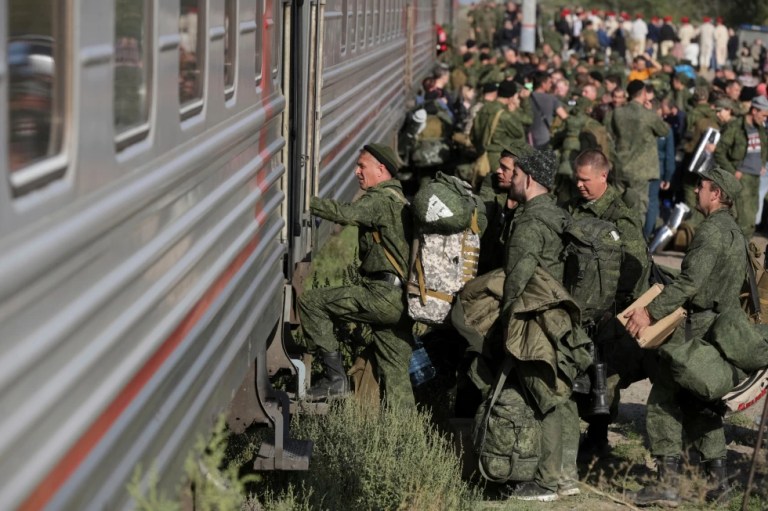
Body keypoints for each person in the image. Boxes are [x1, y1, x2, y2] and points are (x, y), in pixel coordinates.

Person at [624, 166, 746, 507]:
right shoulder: (736, 232)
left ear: (717, 194)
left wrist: (649, 311)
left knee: (663, 399)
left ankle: (667, 485)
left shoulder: (710, 233)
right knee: (701, 404)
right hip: (718, 326)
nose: (696, 191)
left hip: (695, 329)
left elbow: (690, 284)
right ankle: (718, 484)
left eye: (702, 186)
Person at [297, 144, 415, 409]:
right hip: (403, 300)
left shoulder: (380, 199)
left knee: (312, 302)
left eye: (362, 166)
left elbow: (346, 214)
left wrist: (304, 202)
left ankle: (335, 380)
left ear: (381, 170)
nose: (356, 171)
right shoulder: (400, 199)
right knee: (396, 376)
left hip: (382, 296)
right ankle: (404, 436)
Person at [499, 149, 577, 502]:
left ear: (528, 179)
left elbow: (516, 280)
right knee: (561, 395)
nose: (511, 179)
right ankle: (565, 477)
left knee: (545, 398)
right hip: (561, 316)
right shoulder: (558, 214)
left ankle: (546, 483)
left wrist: (504, 324)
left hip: (535, 318)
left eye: (515, 174)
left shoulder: (530, 223)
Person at [565, 149, 652, 459]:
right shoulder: (575, 207)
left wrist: (611, 305)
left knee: (604, 376)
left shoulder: (620, 216)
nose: (579, 185)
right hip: (576, 304)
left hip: (606, 312)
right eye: (576, 179)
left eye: (585, 180)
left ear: (603, 176)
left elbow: (636, 264)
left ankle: (598, 438)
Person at [608, 79, 670, 219]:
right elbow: (664, 131)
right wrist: (652, 112)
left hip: (620, 166)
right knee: (638, 211)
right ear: (643, 93)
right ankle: (634, 239)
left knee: (618, 206)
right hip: (640, 170)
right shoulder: (648, 115)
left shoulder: (617, 113)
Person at [714, 94, 768, 238]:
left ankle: (742, 254)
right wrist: (733, 171)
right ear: (754, 111)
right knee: (743, 219)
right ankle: (736, 254)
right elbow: (719, 152)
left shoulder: (760, 128)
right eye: (763, 115)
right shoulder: (736, 126)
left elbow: (764, 146)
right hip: (741, 178)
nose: (765, 119)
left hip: (755, 178)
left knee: (752, 219)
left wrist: (762, 163)